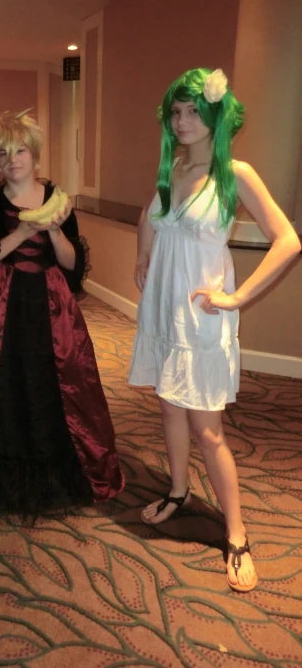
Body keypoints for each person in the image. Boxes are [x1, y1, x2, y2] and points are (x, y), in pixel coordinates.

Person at [129, 68, 301, 592]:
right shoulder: (174, 168)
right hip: (164, 313)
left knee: (209, 430)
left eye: (192, 111)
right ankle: (179, 491)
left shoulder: (236, 172)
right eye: (175, 113)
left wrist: (238, 297)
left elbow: (288, 240)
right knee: (168, 405)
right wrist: (142, 252)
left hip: (203, 321)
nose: (182, 121)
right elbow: (150, 214)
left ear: (214, 116)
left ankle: (238, 533)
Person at [0, 110, 123, 519]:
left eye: (20, 150)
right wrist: (24, 231)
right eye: (3, 153)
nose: (13, 159)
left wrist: (52, 228)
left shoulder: (58, 198)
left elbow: (72, 264)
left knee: (54, 380)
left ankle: (55, 469)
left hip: (49, 305)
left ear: (34, 153)